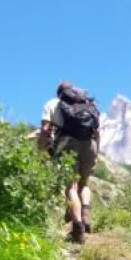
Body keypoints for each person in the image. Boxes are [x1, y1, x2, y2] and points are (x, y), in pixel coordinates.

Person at [40, 82, 100, 244]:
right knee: (84, 184)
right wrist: (96, 154)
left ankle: (78, 229)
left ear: (58, 93)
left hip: (68, 143)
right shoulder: (86, 104)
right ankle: (85, 213)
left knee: (70, 187)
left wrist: (42, 149)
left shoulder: (52, 104)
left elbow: (45, 130)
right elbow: (97, 132)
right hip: (90, 144)